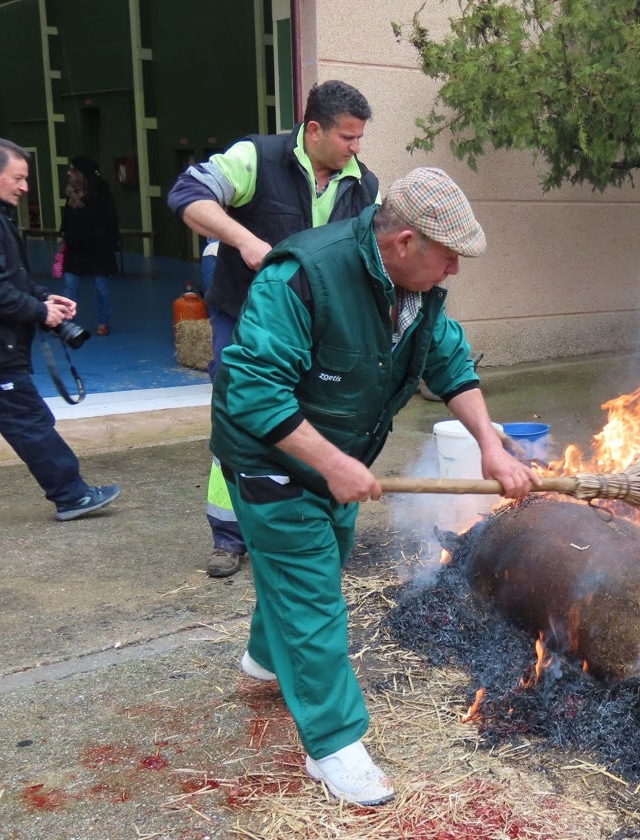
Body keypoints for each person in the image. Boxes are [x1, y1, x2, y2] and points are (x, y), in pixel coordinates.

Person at [210, 166, 537, 805]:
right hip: (269, 456)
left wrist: (490, 445)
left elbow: (450, 362)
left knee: (315, 564)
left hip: (342, 454)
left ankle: (264, 660)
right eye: (449, 257)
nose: (456, 272)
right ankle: (333, 747)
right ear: (405, 242)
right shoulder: (303, 276)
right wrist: (330, 463)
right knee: (311, 596)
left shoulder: (416, 292)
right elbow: (251, 388)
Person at [167, 79, 380, 579]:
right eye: (348, 137)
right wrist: (243, 240)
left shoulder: (363, 184)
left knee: (302, 422)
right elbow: (188, 195)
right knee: (242, 418)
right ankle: (228, 535)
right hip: (243, 314)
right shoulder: (256, 159)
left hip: (312, 328)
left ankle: (296, 523)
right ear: (314, 129)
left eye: (360, 138)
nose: (356, 148)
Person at [0, 138, 120, 521]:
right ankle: (71, 495)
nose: (25, 187)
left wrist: (46, 299)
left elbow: (7, 276)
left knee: (28, 420)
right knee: (30, 423)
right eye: (19, 178)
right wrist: (38, 312)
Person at [59, 156, 119, 336]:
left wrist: (102, 238)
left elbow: (110, 221)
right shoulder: (71, 194)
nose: (69, 174)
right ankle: (66, 323)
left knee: (101, 286)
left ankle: (103, 322)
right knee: (70, 285)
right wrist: (65, 233)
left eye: (72, 170)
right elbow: (68, 218)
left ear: (81, 174)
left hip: (97, 248)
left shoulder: (100, 195)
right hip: (75, 248)